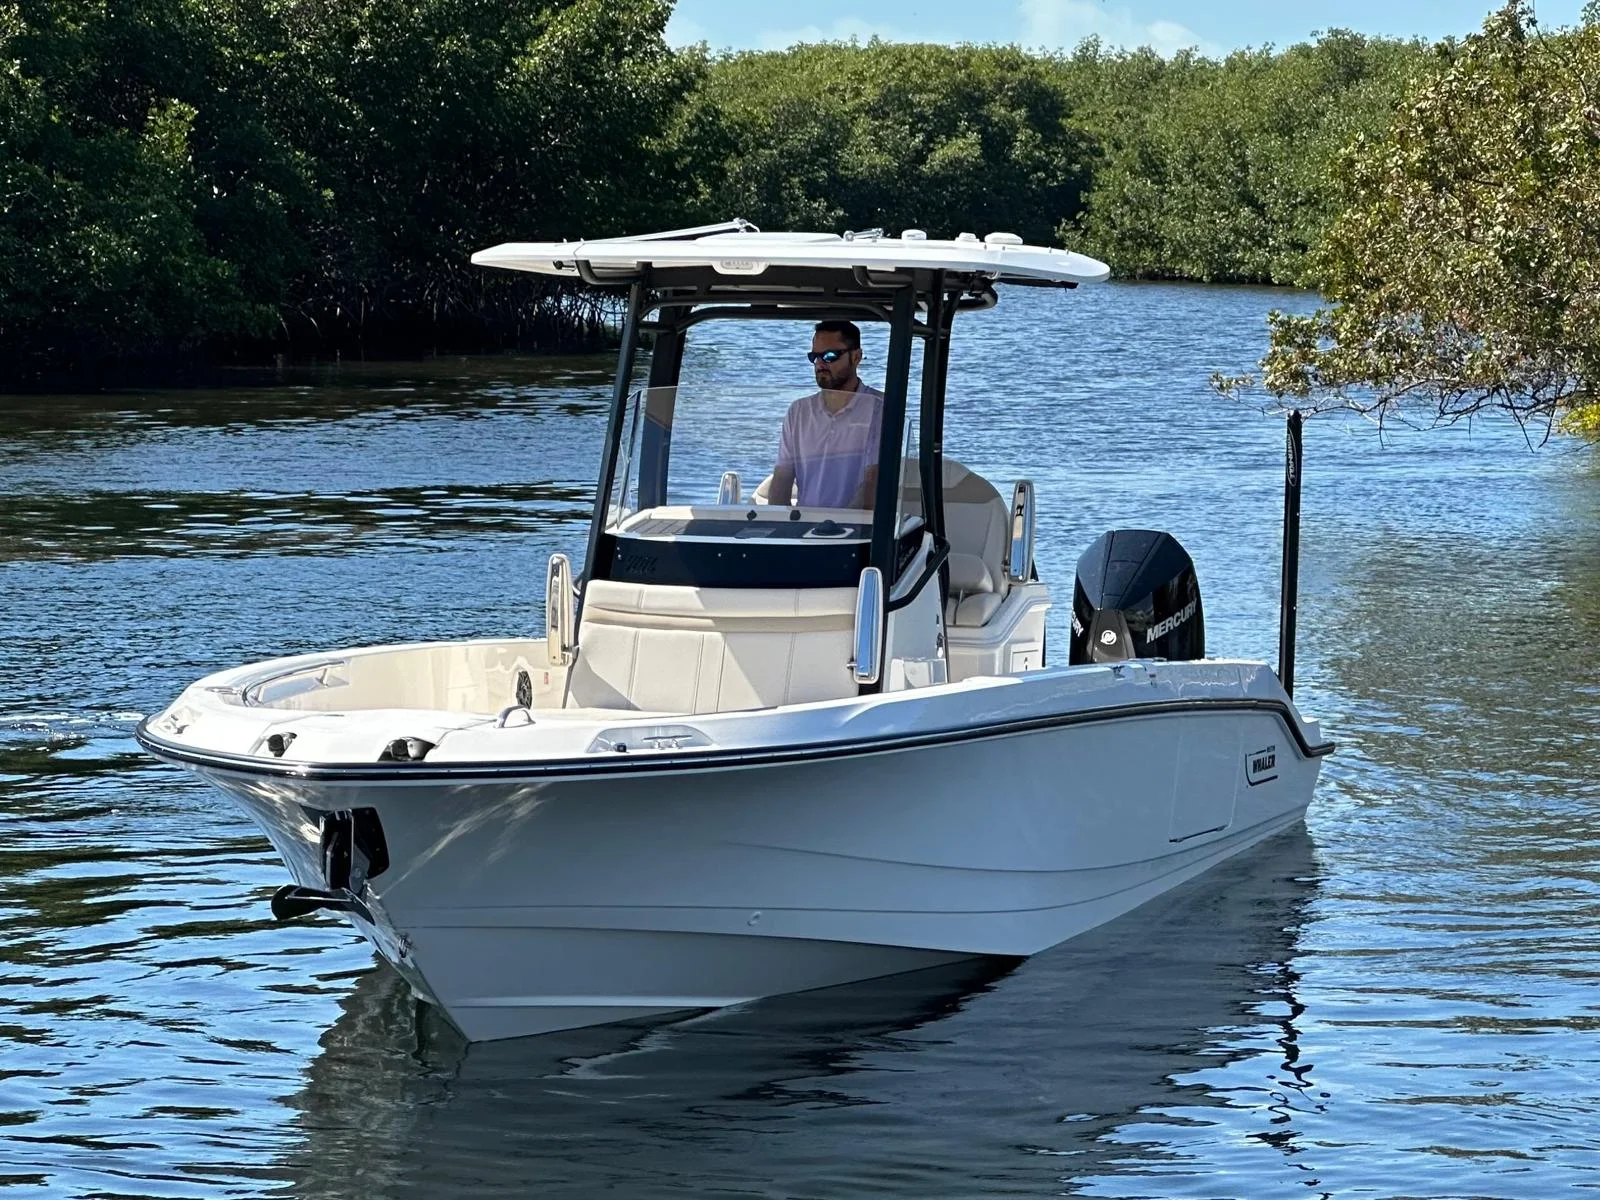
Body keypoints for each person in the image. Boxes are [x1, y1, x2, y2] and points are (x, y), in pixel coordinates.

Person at [770, 320, 885, 509]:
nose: (820, 364)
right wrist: (779, 526)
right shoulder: (798, 411)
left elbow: (873, 483)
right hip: (804, 528)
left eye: (830, 356)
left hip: (856, 530)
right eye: (815, 357)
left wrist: (842, 529)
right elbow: (782, 478)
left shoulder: (879, 408)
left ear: (856, 357)